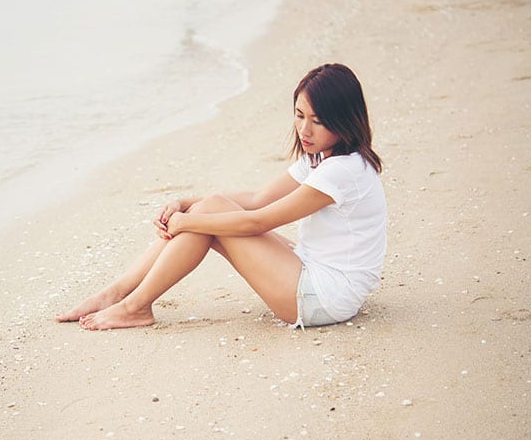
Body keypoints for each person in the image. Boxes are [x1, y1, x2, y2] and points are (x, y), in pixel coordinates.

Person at [56, 63, 386, 331]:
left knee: (209, 215)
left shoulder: (342, 172)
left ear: (344, 121)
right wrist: (187, 204)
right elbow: (258, 197)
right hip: (319, 276)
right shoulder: (324, 159)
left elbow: (258, 219)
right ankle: (119, 295)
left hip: (322, 299)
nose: (305, 131)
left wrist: (188, 219)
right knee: (209, 209)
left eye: (318, 121)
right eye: (300, 115)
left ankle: (133, 305)